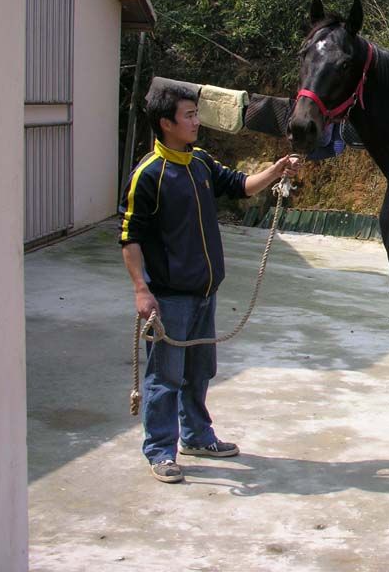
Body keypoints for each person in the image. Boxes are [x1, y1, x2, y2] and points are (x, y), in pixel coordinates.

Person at [119, 85, 299, 483]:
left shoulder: (200, 162)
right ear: (166, 124)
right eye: (189, 115)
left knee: (199, 372)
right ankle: (160, 451)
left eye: (196, 114)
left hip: (205, 294)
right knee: (164, 379)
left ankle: (198, 436)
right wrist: (141, 289)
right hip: (170, 298)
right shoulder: (148, 175)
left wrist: (277, 168)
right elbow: (129, 237)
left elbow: (240, 185)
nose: (196, 121)